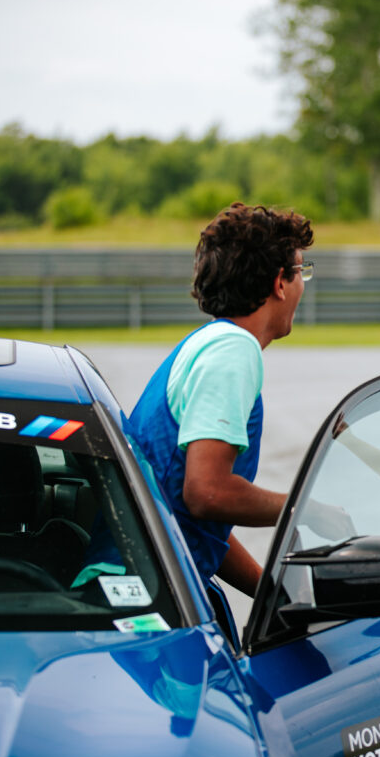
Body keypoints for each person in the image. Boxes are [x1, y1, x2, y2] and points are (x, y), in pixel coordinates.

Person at [125, 202, 314, 599]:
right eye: (301, 272)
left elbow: (193, 526)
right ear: (280, 282)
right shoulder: (234, 350)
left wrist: (272, 595)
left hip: (143, 578)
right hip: (150, 592)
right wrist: (306, 506)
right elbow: (207, 493)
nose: (302, 286)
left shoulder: (206, 344)